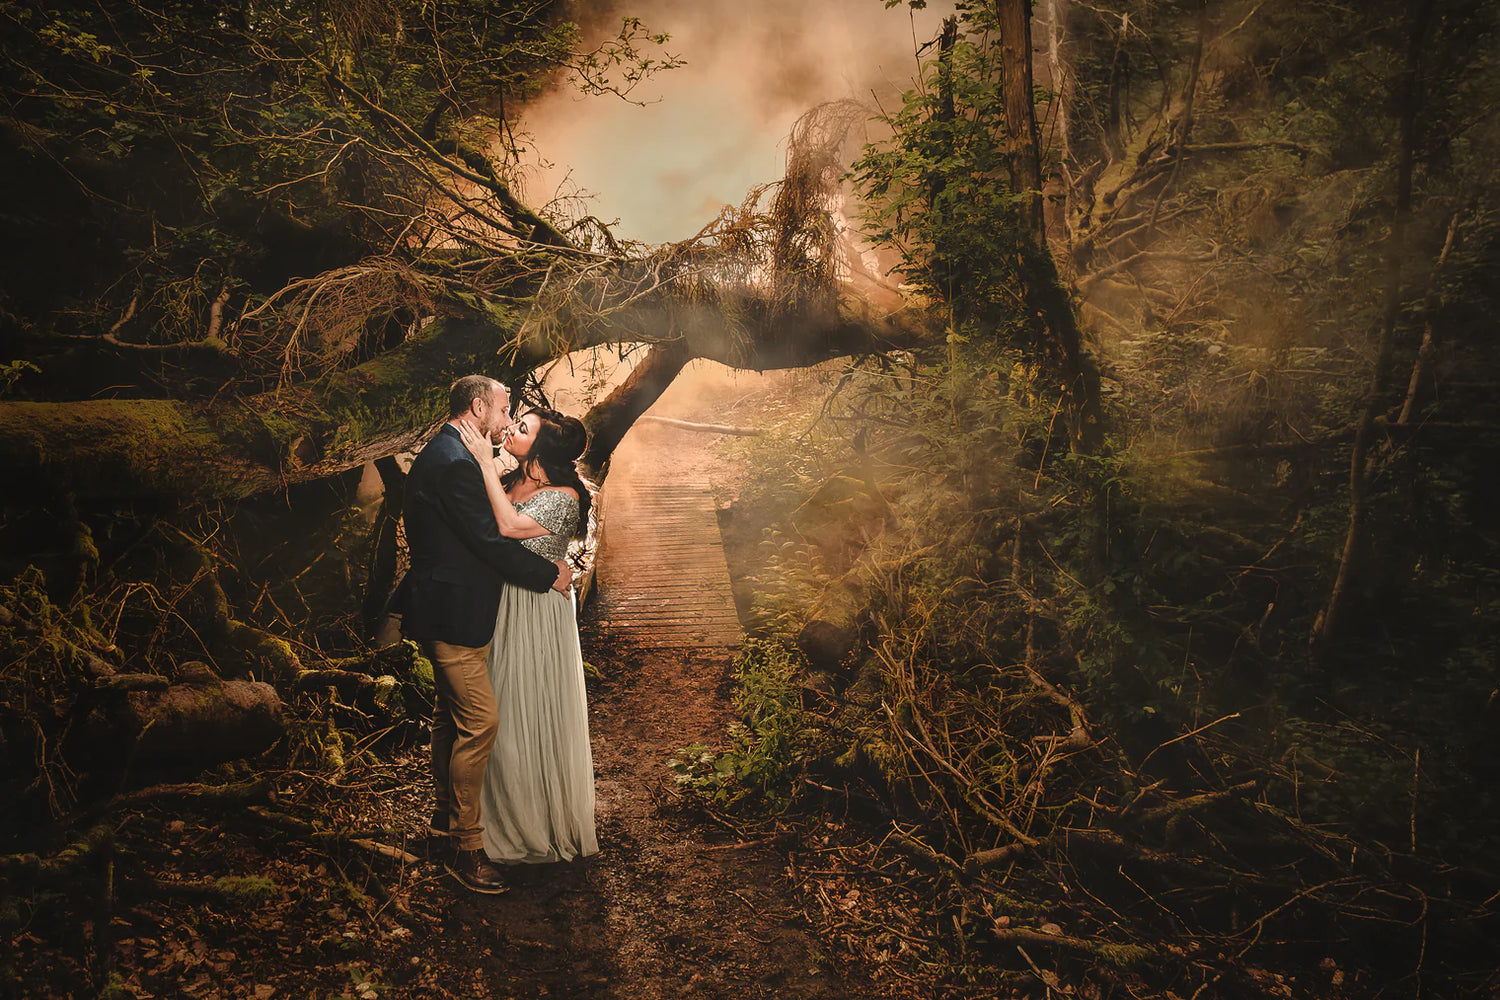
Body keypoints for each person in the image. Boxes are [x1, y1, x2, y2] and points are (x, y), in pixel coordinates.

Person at [392, 376, 574, 894]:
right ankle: (466, 850)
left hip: (452, 606)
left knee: (449, 720)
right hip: (450, 611)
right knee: (481, 722)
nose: (507, 417)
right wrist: (549, 575)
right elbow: (490, 542)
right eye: (503, 408)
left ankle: (441, 824)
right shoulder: (452, 462)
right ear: (479, 407)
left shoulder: (456, 453)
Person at [455, 405, 598, 864]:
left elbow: (509, 526)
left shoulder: (563, 497)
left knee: (525, 708)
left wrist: (482, 460)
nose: (510, 429)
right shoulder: (511, 476)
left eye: (522, 428)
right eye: (515, 422)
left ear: (541, 447)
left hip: (536, 612)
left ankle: (534, 821)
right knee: (499, 711)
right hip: (501, 603)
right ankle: (488, 819)